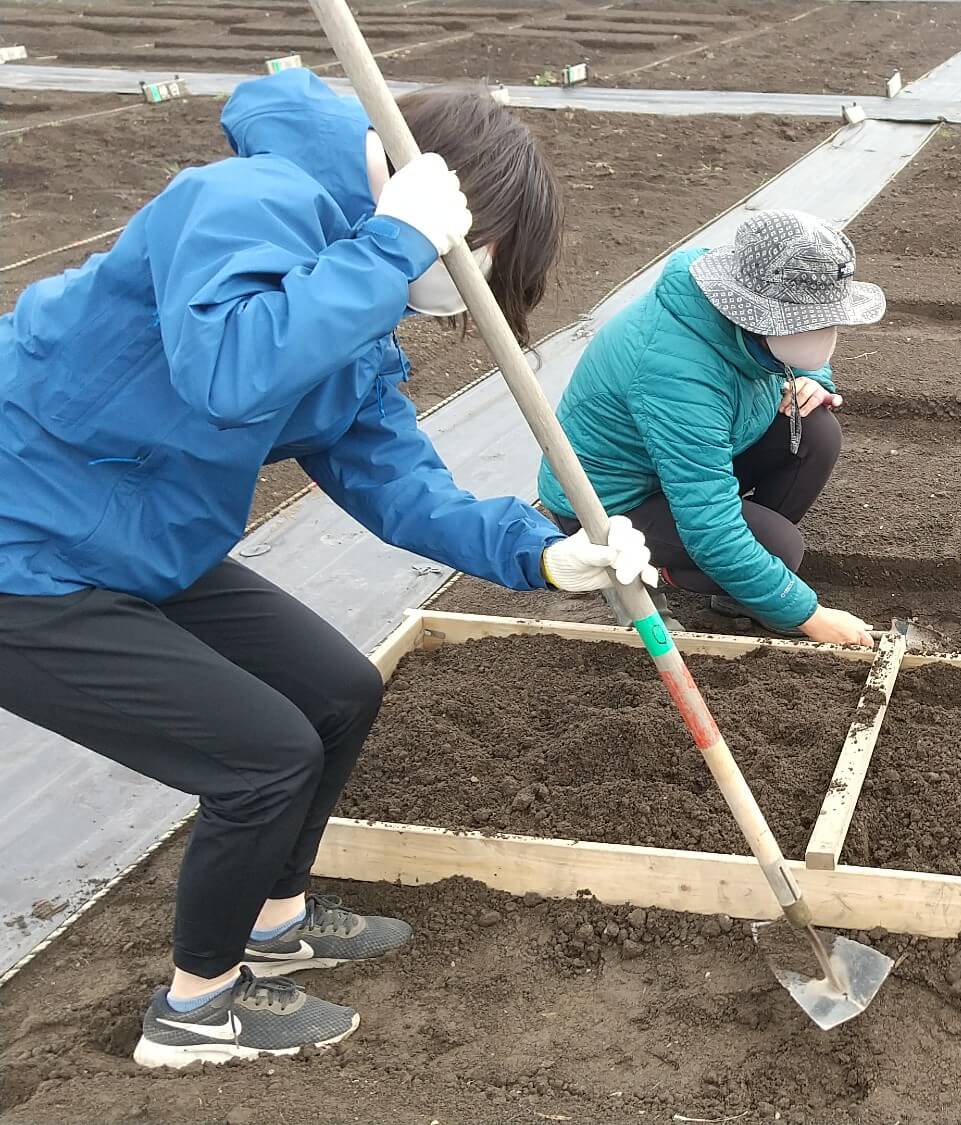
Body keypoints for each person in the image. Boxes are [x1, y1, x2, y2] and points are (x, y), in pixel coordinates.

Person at [0, 70, 656, 1068]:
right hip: (24, 546)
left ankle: (273, 919)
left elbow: (401, 486)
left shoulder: (359, 306)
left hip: (137, 534)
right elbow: (227, 372)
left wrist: (543, 550)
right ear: (442, 204)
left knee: (337, 692)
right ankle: (196, 1010)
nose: (471, 286)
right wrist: (391, 247)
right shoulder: (242, 204)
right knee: (262, 756)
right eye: (483, 259)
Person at [538, 209, 883, 645]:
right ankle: (648, 575)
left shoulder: (745, 307)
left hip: (675, 463)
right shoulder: (677, 370)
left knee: (815, 430)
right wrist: (808, 615)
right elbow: (711, 527)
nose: (825, 332)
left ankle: (741, 588)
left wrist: (816, 380)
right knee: (780, 550)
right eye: (812, 322)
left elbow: (802, 344)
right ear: (759, 314)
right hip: (610, 500)